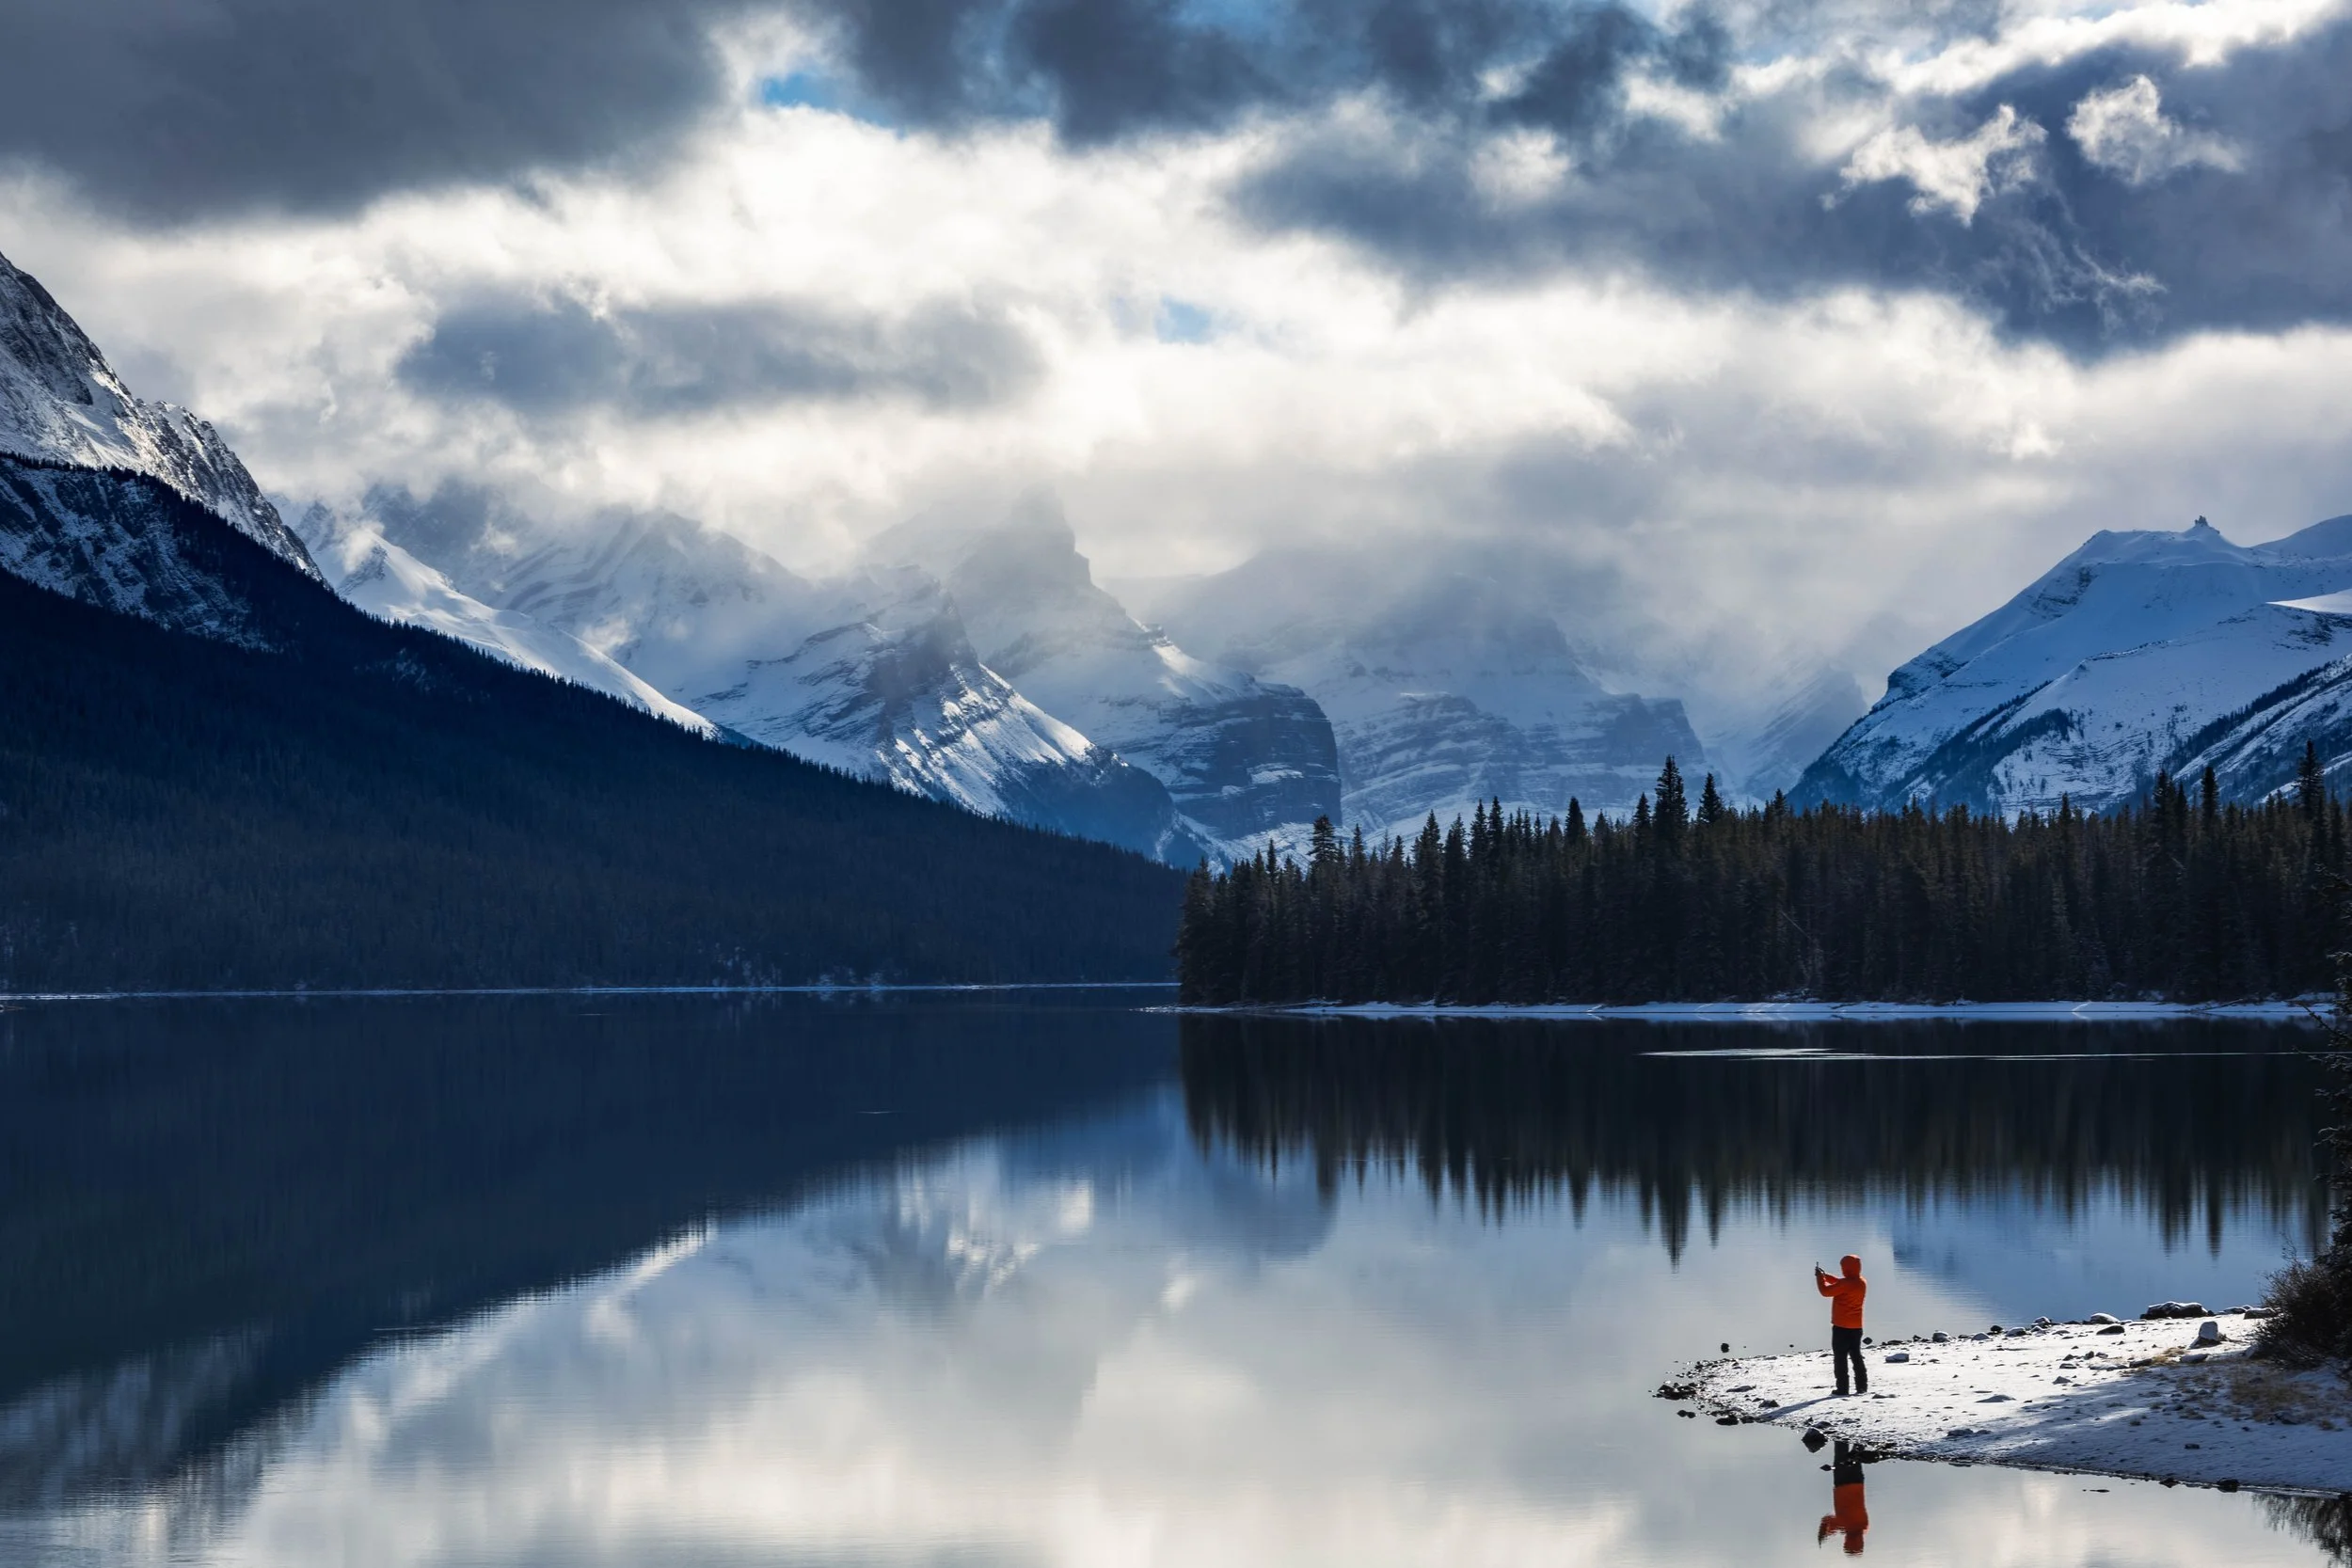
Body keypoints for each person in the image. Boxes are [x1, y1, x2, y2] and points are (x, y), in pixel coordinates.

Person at [1815, 1254, 1867, 1396]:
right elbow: (1840, 1282)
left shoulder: (1845, 1284)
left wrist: (1820, 1279)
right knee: (1856, 1356)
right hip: (1856, 1327)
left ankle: (1843, 1388)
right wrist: (1826, 1276)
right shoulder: (1861, 1281)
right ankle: (1862, 1386)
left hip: (1841, 1327)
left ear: (1846, 1268)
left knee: (1840, 1358)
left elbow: (1825, 1292)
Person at [1816, 1439, 1869, 1555]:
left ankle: (1861, 1434)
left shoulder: (1864, 1526)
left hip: (1857, 1482)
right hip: (1841, 1483)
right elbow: (1826, 1520)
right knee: (1841, 1451)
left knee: (1856, 1454)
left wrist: (1828, 1532)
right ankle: (1842, 1433)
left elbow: (1834, 1524)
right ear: (1847, 1542)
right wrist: (1821, 1535)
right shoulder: (1844, 1525)